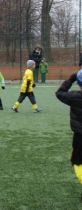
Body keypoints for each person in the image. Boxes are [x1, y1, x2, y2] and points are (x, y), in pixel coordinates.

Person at [56, 70, 82, 200]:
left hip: (79, 138)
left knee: (77, 162)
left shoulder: (74, 96)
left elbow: (59, 93)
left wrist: (71, 79)